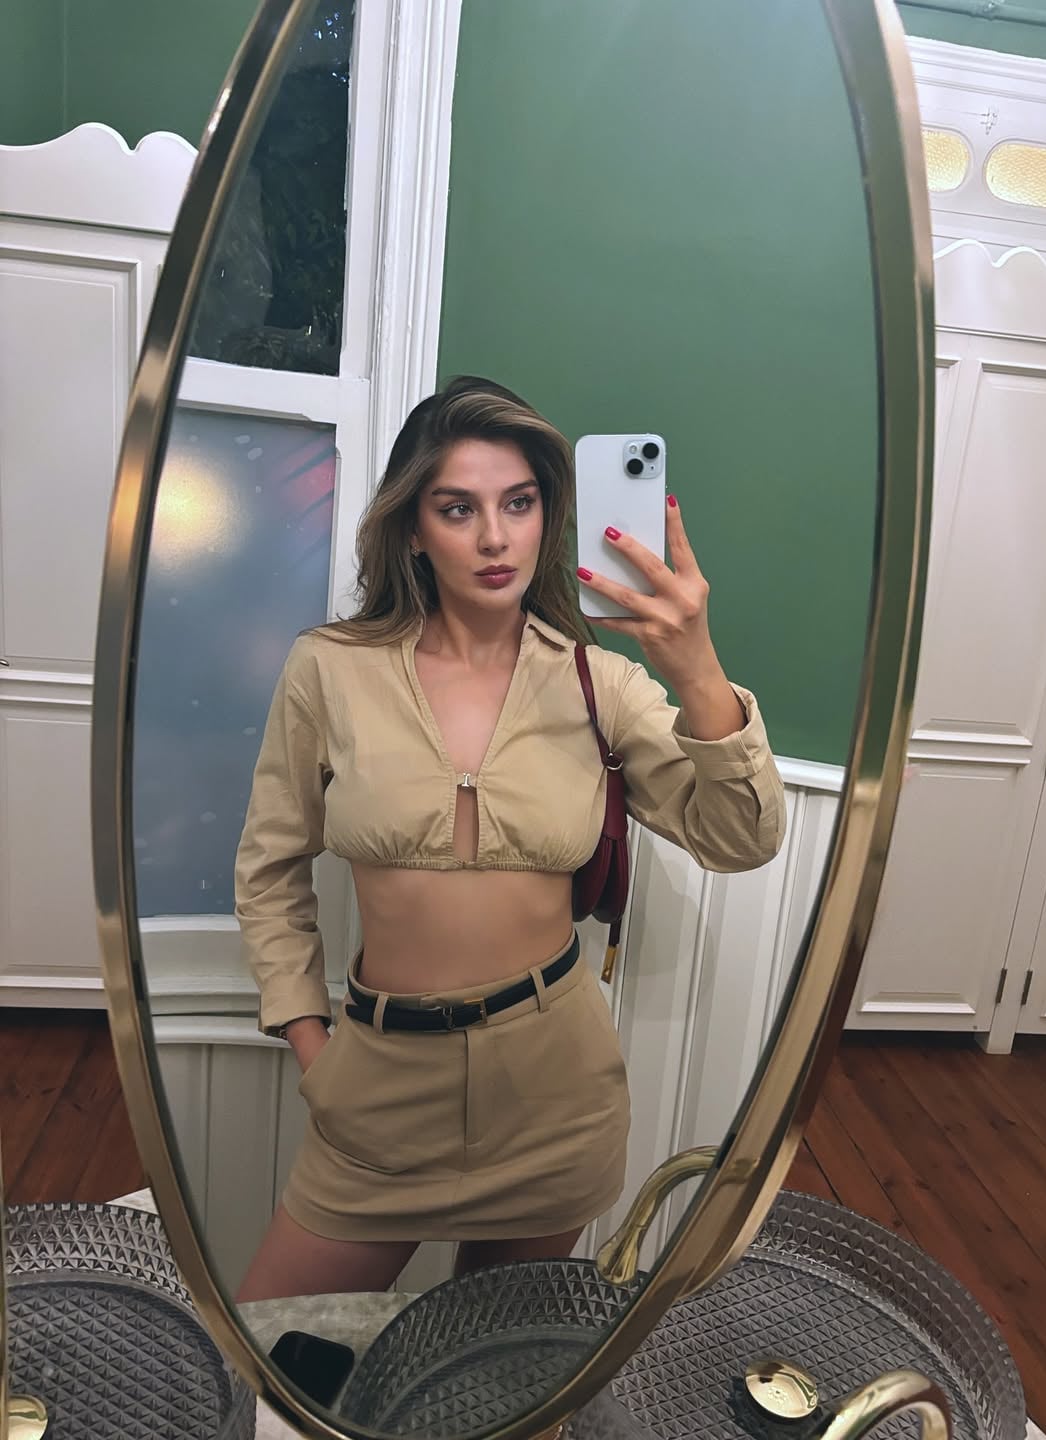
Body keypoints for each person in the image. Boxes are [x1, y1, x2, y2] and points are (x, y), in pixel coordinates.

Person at [234, 376, 786, 1301]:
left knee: (495, 1367)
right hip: (378, 1091)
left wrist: (695, 666)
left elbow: (742, 839)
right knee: (274, 1352)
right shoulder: (329, 669)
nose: (495, 537)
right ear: (414, 528)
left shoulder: (600, 683)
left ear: (547, 517)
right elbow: (270, 868)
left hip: (553, 1096)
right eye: (458, 508)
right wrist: (311, 1045)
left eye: (519, 504)